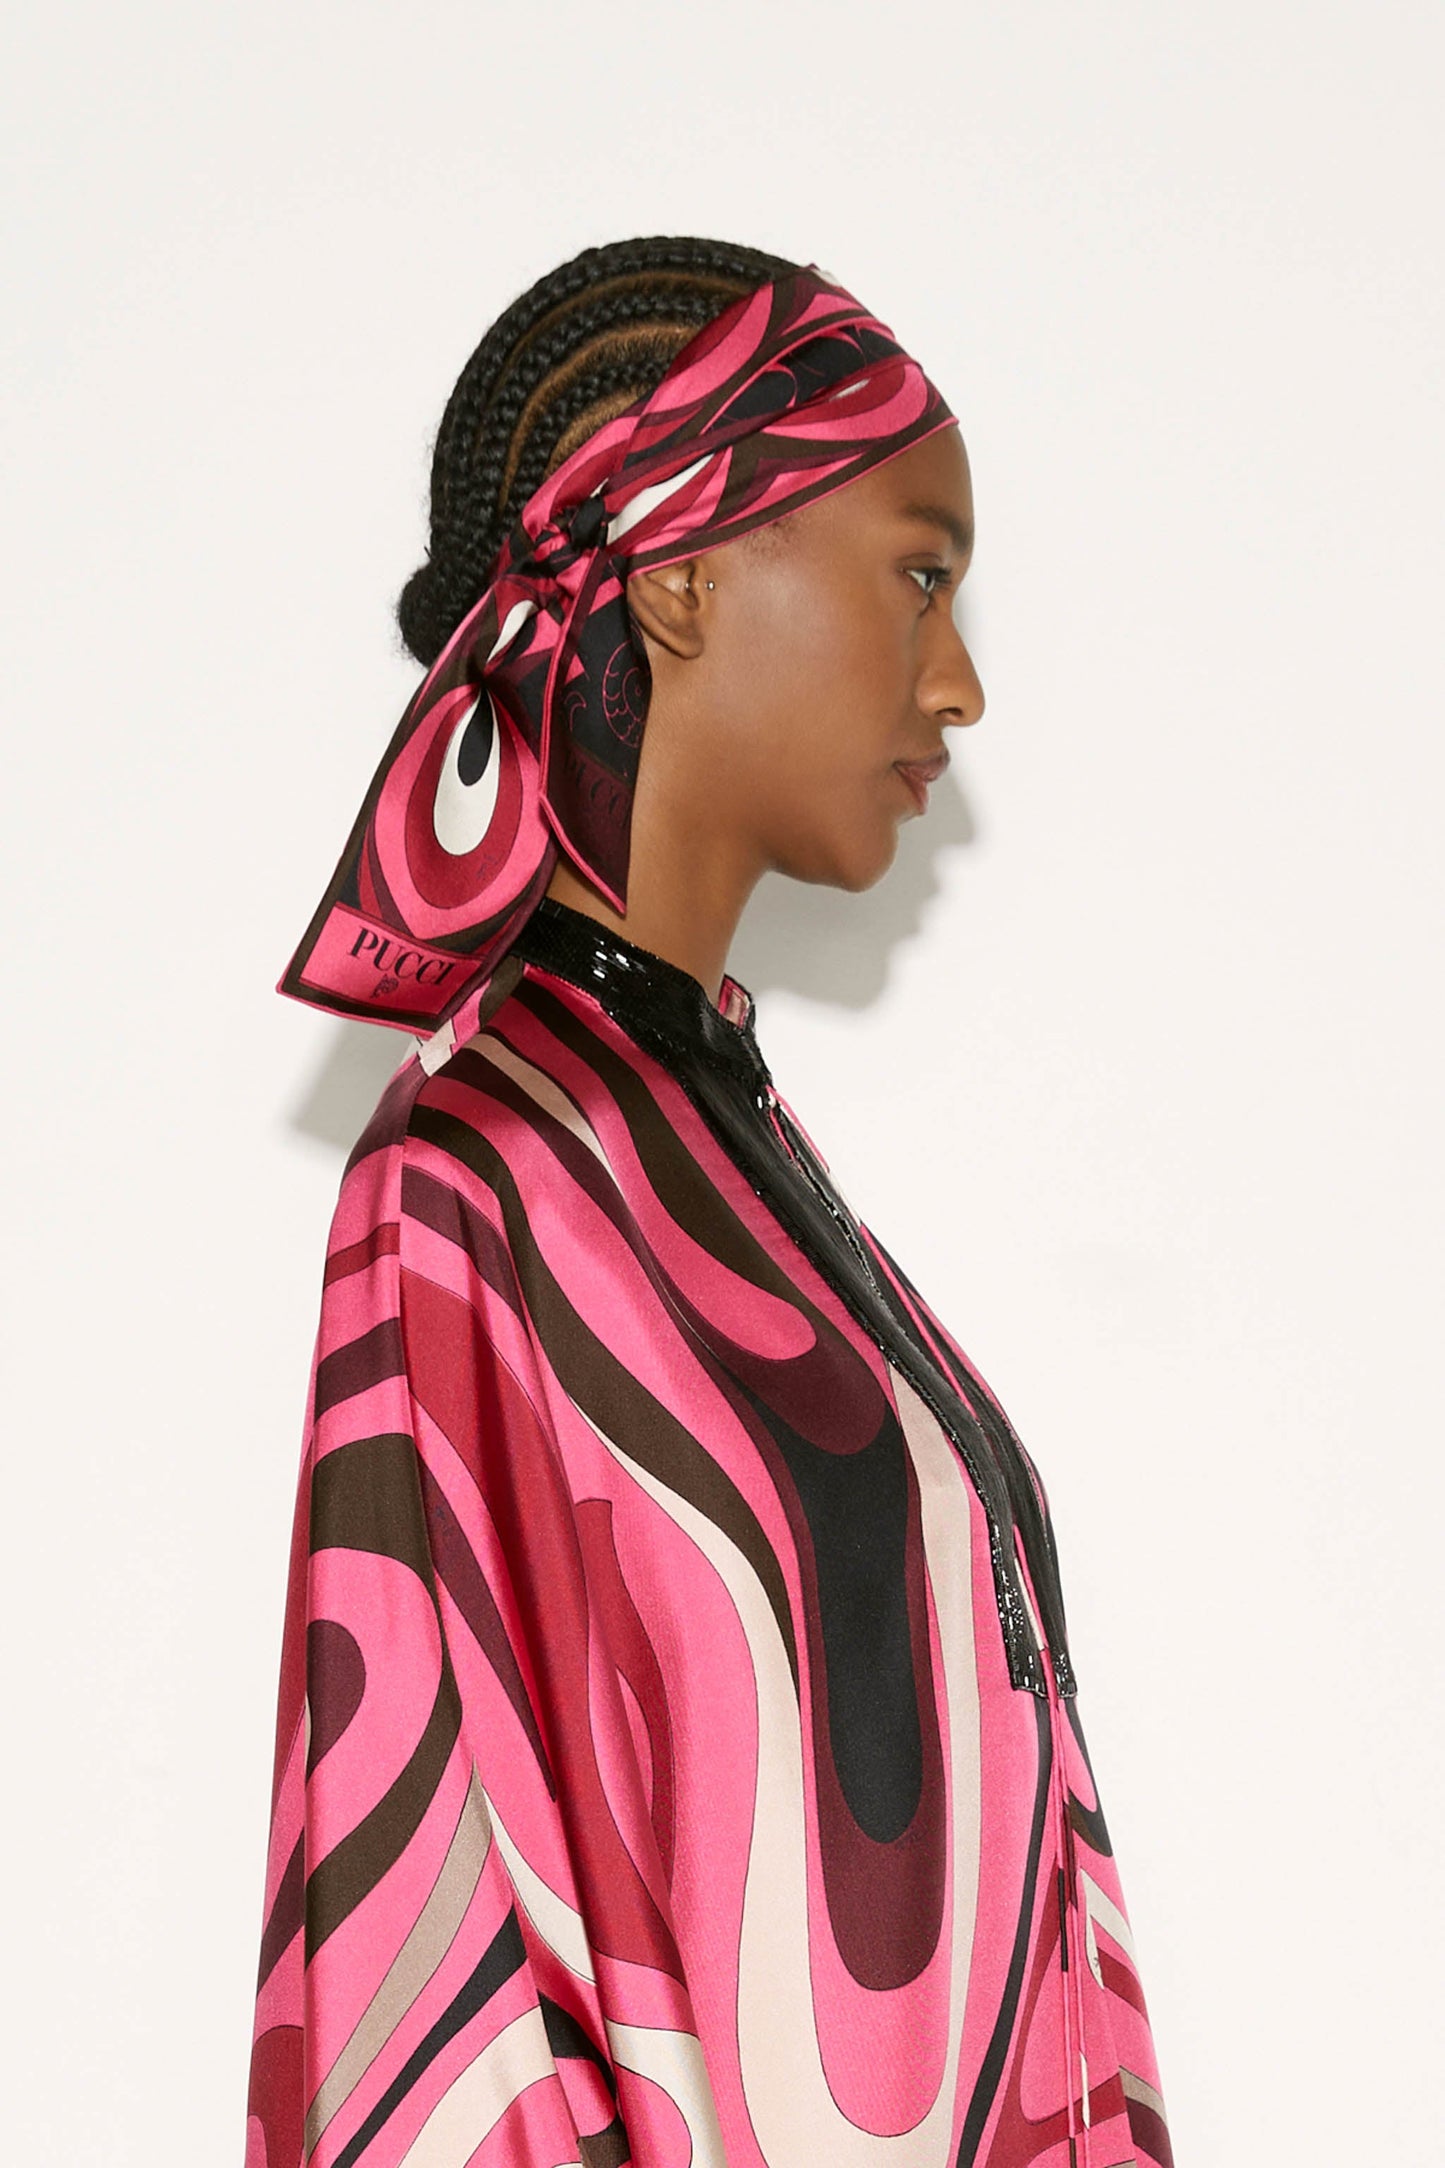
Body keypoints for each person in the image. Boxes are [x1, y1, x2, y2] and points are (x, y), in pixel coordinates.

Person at [245, 235, 1172, 2168]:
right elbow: (429, 1978)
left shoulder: (721, 1151)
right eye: (918, 573)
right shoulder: (474, 1183)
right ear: (678, 568)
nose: (958, 681)